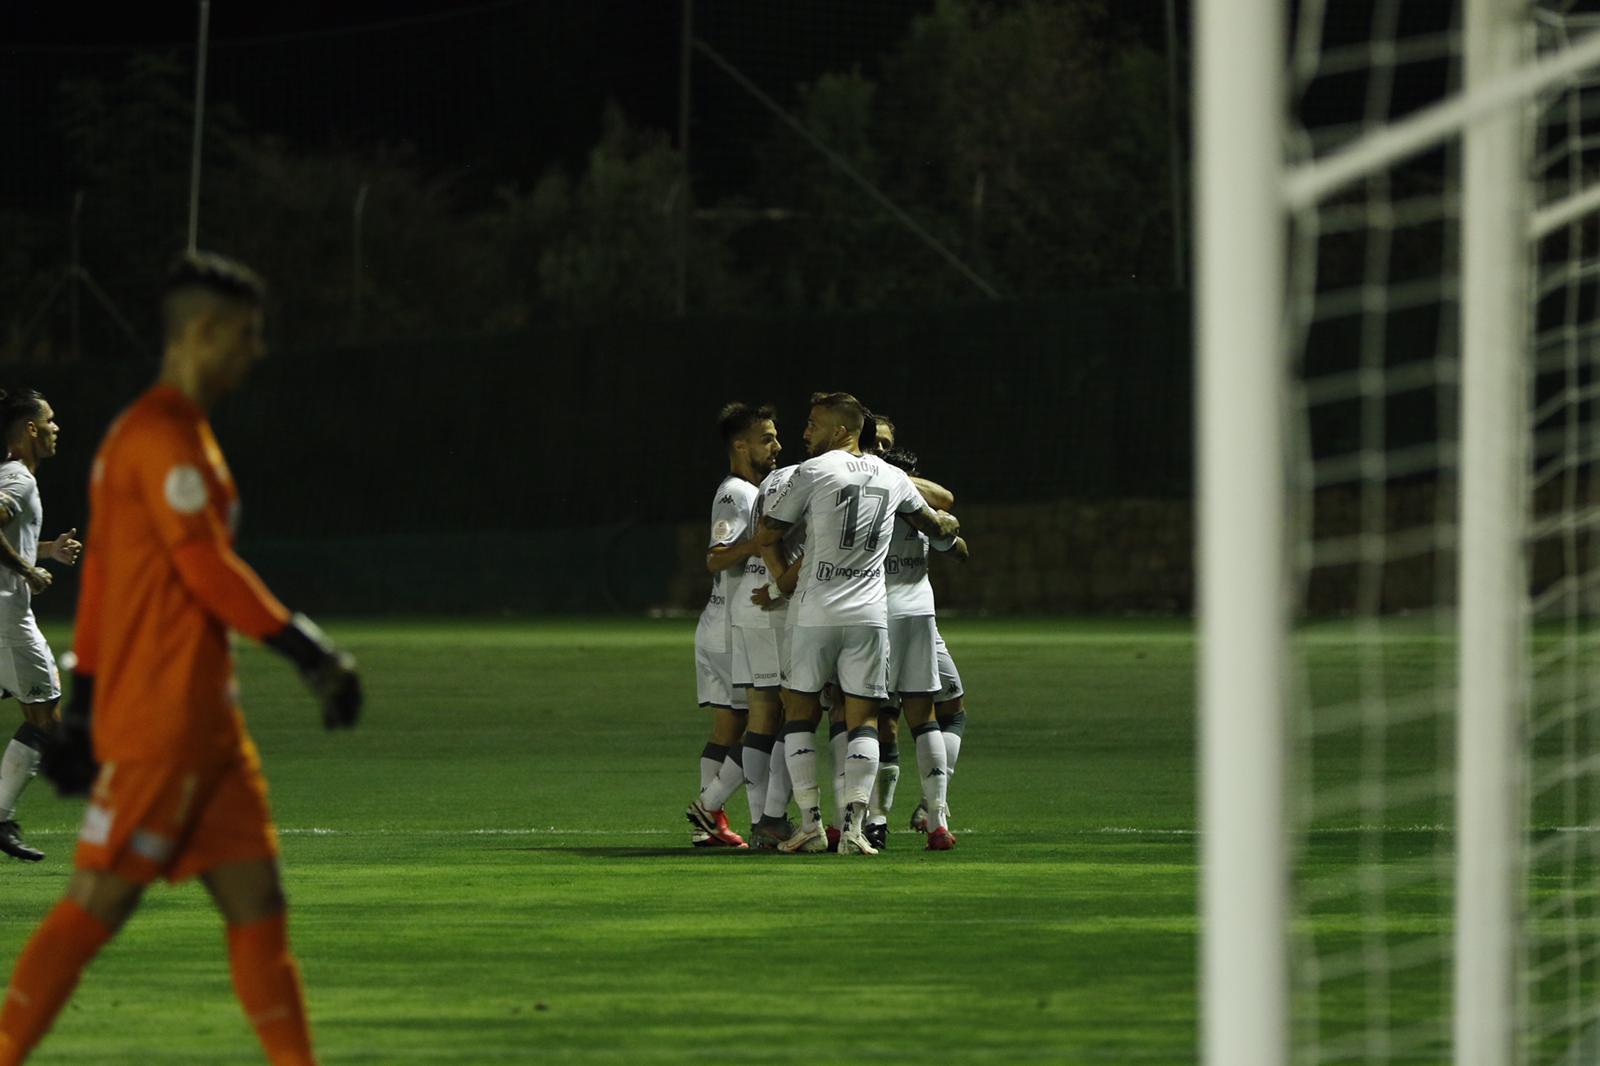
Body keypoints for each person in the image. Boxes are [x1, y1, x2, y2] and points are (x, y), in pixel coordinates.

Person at [0, 251, 362, 1066]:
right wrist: (310, 651)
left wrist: (83, 703)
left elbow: (103, 589)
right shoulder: (162, 438)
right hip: (161, 728)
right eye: (247, 334)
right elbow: (206, 569)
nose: (257, 351)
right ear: (201, 333)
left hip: (209, 728)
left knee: (258, 906)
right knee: (95, 905)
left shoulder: (163, 435)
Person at [758, 392, 958, 856]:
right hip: (869, 615)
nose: (806, 432)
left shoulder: (814, 470)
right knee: (864, 718)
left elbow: (769, 532)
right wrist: (948, 528)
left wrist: (782, 571)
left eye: (814, 424)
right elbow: (932, 522)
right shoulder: (891, 475)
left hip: (815, 610)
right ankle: (854, 828)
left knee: (801, 712)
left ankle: (809, 822)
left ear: (842, 430)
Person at [683, 403, 779, 848]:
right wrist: (757, 544)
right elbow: (715, 556)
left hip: (725, 623)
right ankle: (723, 809)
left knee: (730, 727)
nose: (776, 447)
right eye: (767, 438)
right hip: (730, 628)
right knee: (766, 721)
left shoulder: (747, 489)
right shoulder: (735, 493)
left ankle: (712, 824)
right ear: (741, 446)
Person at [0, 389, 84, 863]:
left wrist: (46, 551)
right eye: (50, 420)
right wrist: (29, 571)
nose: (56, 428)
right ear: (30, 429)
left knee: (43, 714)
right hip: (8, 615)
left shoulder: (17, 477)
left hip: (5, 612)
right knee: (46, 714)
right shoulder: (17, 479)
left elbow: (11, 536)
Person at [878, 446, 967, 851]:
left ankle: (866, 821)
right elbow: (956, 545)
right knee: (927, 716)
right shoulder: (922, 516)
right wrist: (946, 527)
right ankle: (937, 819)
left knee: (864, 716)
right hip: (917, 617)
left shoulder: (866, 503)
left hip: (870, 616)